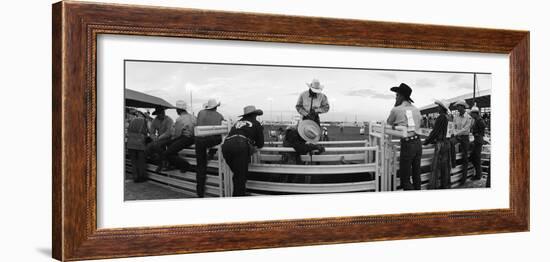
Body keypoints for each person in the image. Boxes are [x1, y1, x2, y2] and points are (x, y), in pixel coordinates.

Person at [221, 105, 265, 196]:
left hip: (226, 145)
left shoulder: (237, 122)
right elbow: (260, 144)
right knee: (240, 178)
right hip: (240, 145)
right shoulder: (256, 123)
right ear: (254, 115)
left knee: (238, 175)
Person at [387, 83, 422, 190]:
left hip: (407, 144)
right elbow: (419, 124)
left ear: (401, 96)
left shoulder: (396, 109)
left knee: (405, 178)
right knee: (416, 174)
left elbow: (389, 123)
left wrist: (395, 105)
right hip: (418, 143)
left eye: (397, 95)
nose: (396, 97)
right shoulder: (416, 110)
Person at [195, 99, 224, 197]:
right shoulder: (220, 116)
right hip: (211, 140)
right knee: (219, 139)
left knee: (200, 166)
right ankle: (212, 152)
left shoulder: (200, 113)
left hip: (199, 140)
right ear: (216, 107)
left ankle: (200, 192)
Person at [158, 100, 196, 173]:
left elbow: (177, 134)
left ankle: (185, 165)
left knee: (167, 153)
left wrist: (171, 138)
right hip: (193, 137)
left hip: (186, 138)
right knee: (169, 144)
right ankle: (175, 165)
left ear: (178, 110)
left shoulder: (180, 119)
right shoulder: (193, 117)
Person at [423, 100, 452, 189]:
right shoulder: (449, 117)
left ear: (442, 108)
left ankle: (433, 187)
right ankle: (446, 185)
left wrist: (427, 141)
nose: (437, 108)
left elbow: (435, 132)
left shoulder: (441, 117)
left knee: (435, 167)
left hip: (441, 144)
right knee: (446, 167)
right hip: (447, 143)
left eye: (438, 106)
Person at [452, 99, 472, 185]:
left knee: (465, 157)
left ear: (463, 107)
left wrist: (456, 132)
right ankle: (453, 164)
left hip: (464, 137)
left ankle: (463, 178)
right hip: (458, 136)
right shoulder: (456, 116)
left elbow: (466, 129)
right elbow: (453, 125)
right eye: (457, 106)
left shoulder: (469, 117)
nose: (457, 108)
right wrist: (454, 132)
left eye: (458, 106)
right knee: (450, 144)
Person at [126, 111, 149, 183]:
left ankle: (135, 177)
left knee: (134, 162)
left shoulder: (132, 120)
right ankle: (142, 177)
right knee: (141, 161)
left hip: (130, 143)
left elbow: (128, 131)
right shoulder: (144, 121)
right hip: (140, 143)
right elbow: (146, 132)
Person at [470, 106, 486, 181]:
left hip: (478, 141)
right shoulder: (476, 120)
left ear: (475, 114)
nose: (471, 115)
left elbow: (483, 127)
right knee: (474, 157)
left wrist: (477, 133)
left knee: (476, 158)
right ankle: (479, 174)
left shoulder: (479, 120)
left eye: (472, 114)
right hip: (477, 140)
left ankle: (478, 175)